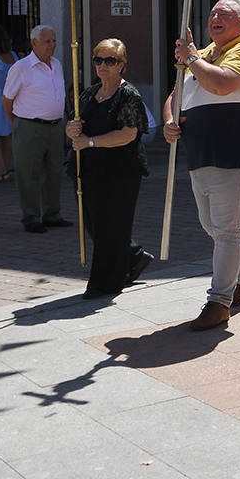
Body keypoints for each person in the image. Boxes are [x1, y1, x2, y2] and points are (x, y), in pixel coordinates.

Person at [163, 0, 240, 331]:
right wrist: (169, 121)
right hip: (201, 153)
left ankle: (219, 301)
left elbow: (221, 84)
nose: (214, 18)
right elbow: (174, 96)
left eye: (223, 14)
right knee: (215, 226)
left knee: (225, 230)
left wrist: (192, 57)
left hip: (234, 153)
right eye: (212, 14)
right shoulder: (204, 55)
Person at [64, 38, 153, 299]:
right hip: (88, 171)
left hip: (119, 173)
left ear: (121, 65)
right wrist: (72, 130)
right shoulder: (90, 93)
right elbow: (74, 124)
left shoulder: (129, 95)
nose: (103, 65)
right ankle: (133, 256)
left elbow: (127, 134)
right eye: (98, 60)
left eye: (110, 60)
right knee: (94, 225)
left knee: (110, 227)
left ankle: (105, 283)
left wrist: (90, 142)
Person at [2, 25, 69, 233]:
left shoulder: (56, 64)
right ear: (34, 43)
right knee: (29, 173)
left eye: (54, 41)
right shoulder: (21, 67)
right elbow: (7, 99)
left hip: (55, 126)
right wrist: (16, 123)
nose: (52, 45)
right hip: (30, 125)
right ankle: (30, 216)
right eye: (47, 41)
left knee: (54, 171)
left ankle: (52, 214)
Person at [0, 24, 18, 181]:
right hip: (10, 98)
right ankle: (6, 169)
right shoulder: (14, 56)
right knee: (7, 136)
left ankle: (1, 170)